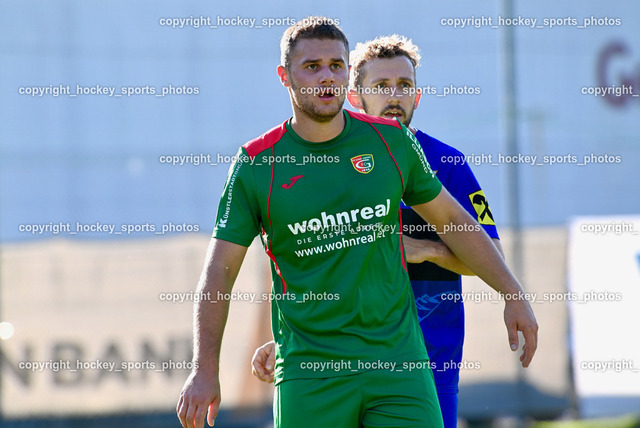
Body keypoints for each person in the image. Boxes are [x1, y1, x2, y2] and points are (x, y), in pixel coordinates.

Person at [178, 17, 537, 428]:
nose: (326, 77)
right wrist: (206, 368)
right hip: (311, 373)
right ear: (284, 76)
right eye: (312, 66)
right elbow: (219, 275)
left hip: (402, 365)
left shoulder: (394, 143)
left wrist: (513, 292)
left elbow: (456, 220)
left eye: (335, 64)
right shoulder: (257, 165)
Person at [252, 34, 507, 428]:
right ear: (354, 96)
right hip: (337, 363)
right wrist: (291, 343)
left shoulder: (448, 164)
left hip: (431, 358)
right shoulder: (329, 166)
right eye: (381, 86)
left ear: (418, 97)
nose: (395, 96)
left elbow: (491, 258)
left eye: (405, 86)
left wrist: (425, 250)